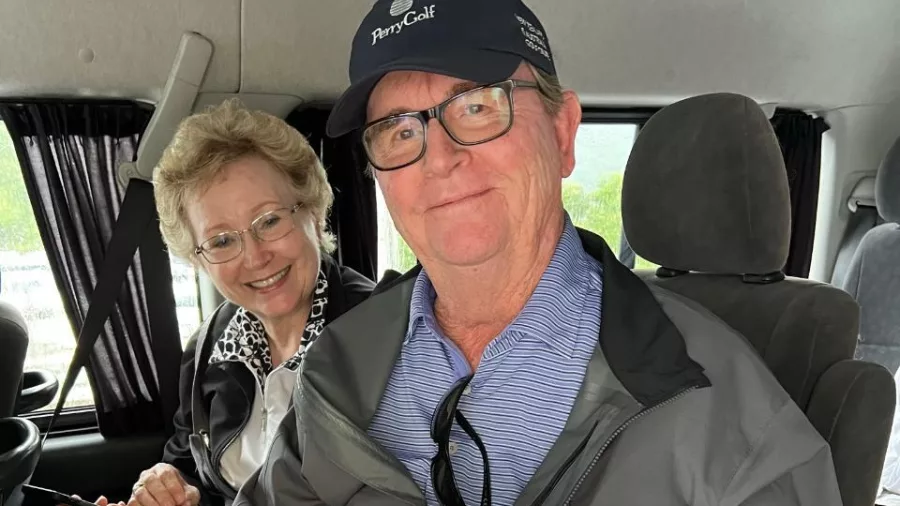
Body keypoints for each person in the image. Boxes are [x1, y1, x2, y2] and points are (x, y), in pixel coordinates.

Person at [234, 0, 843, 504]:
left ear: (562, 133)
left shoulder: (735, 424)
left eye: (476, 107)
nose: (440, 157)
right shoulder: (337, 363)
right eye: (399, 131)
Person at [86, 99, 375, 506]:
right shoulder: (210, 346)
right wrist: (173, 489)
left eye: (270, 220)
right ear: (198, 258)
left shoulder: (385, 334)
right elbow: (191, 465)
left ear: (312, 210)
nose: (255, 258)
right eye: (221, 240)